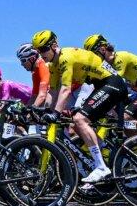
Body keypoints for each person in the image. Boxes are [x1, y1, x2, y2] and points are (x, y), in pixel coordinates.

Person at [32, 29, 125, 184]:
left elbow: (66, 89)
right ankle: (101, 153)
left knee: (79, 120)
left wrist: (55, 112)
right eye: (38, 51)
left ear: (54, 45)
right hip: (100, 85)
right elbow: (53, 92)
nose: (41, 54)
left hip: (111, 84)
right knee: (79, 120)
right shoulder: (53, 65)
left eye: (43, 49)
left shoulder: (65, 57)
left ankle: (101, 166)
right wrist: (41, 110)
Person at [84, 34, 137, 134]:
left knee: (125, 117)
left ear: (102, 49)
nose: (93, 58)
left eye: (94, 54)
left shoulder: (120, 57)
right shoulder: (110, 64)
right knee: (127, 127)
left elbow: (114, 85)